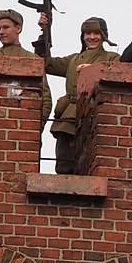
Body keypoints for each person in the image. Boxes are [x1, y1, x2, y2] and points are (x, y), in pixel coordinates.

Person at [37, 15, 118, 173]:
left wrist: (95, 70)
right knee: (63, 159)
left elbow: (119, 73)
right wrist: (44, 32)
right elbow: (45, 63)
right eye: (87, 33)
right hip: (68, 114)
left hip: (93, 111)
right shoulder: (73, 59)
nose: (92, 37)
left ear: (104, 36)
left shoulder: (112, 58)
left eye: (96, 33)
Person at [0, 8, 51, 123]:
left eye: (6, 27)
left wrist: (37, 127)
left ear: (18, 28)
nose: (1, 32)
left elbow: (46, 99)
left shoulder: (32, 59)